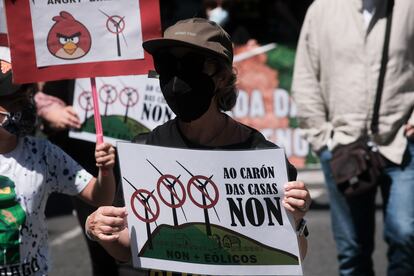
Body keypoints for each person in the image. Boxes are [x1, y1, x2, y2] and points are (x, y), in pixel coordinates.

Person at [84, 18, 312, 273]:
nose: (176, 78)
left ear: (223, 77)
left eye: (192, 65)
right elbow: (129, 250)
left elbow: (294, 257)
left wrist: (297, 221)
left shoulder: (261, 156)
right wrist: (99, 229)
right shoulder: (145, 151)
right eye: (167, 64)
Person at [292, 0, 414, 275]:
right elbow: (305, 77)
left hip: (400, 143)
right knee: (352, 251)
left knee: (405, 236)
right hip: (341, 148)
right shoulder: (322, 10)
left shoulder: (408, 7)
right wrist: (323, 139)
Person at [0, 46, 116, 276]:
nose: (22, 106)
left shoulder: (42, 153)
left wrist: (105, 171)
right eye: (11, 99)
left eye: (26, 94)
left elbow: (100, 196)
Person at [34, 80, 122, 276]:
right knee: (103, 249)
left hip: (143, 157)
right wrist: (50, 112)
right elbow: (41, 95)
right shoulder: (72, 62)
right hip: (88, 164)